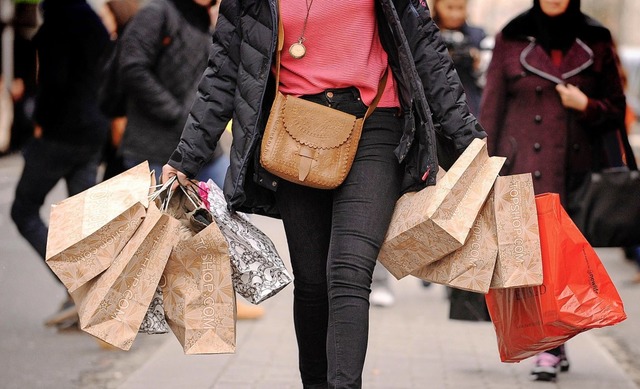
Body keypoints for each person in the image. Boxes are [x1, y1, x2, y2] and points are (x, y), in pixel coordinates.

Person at [162, 1, 486, 387]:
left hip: (375, 125)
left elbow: (427, 49)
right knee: (313, 282)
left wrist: (470, 143)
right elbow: (224, 69)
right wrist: (186, 158)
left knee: (348, 270)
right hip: (295, 131)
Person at [479, 0, 626, 382]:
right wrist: (482, 167)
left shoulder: (596, 38)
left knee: (565, 265)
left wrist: (586, 105)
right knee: (536, 264)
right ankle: (549, 347)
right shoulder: (512, 36)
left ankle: (554, 344)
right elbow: (492, 105)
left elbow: (616, 107)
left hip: (575, 172)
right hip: (522, 170)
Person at [10, 0, 111, 329]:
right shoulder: (92, 19)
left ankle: (78, 287)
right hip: (94, 130)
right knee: (80, 220)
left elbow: (54, 80)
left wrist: (39, 122)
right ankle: (90, 292)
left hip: (60, 133)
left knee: (23, 209)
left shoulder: (59, 20)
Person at [431, 0, 487, 116]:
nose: (455, 15)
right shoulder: (427, 35)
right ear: (436, 5)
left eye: (460, 8)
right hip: (434, 106)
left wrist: (478, 63)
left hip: (470, 106)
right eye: (449, 8)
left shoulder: (477, 37)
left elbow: (490, 82)